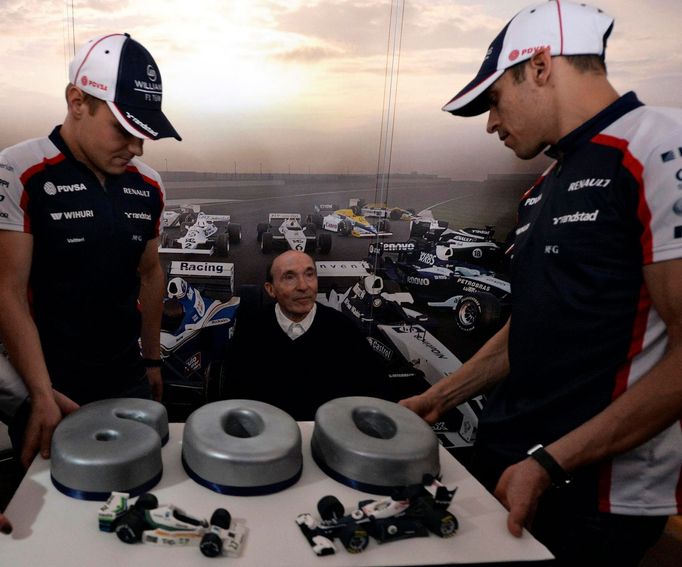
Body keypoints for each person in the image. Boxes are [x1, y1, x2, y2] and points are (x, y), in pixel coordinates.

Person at [400, 1, 682, 565]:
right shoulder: (544, 186)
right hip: (511, 465)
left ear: (541, 66)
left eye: (495, 100)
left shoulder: (656, 145)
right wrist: (439, 397)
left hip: (591, 499)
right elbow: (531, 323)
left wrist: (550, 463)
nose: (491, 123)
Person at [0, 33, 181, 469]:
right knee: (57, 515)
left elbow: (151, 273)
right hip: (49, 385)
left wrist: (152, 359)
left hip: (128, 377)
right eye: (124, 130)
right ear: (77, 101)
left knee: (140, 496)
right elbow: (7, 290)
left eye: (144, 134)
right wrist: (40, 393)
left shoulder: (149, 183)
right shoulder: (20, 171)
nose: (137, 148)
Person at [224, 250, 389, 420]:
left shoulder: (345, 330)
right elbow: (234, 398)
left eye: (309, 275)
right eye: (289, 277)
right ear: (271, 289)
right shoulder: (251, 330)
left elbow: (375, 393)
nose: (303, 286)